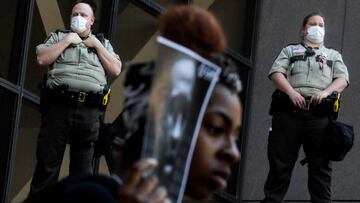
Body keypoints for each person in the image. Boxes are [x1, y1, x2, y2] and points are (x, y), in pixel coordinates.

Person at [28, 1, 122, 196]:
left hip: (89, 113)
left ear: (92, 20)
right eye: (74, 14)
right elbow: (41, 58)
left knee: (82, 174)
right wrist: (68, 40)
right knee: (47, 166)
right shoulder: (59, 36)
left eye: (83, 15)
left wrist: (95, 44)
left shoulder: (102, 43)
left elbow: (115, 68)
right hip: (59, 108)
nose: (77, 18)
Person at [261, 12, 349, 202]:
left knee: (320, 169)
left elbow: (342, 79)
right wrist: (291, 93)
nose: (317, 27)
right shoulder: (290, 50)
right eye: (312, 23)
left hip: (319, 117)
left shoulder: (333, 55)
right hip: (289, 112)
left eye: (321, 25)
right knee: (280, 166)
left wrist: (326, 92)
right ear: (303, 29)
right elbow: (276, 73)